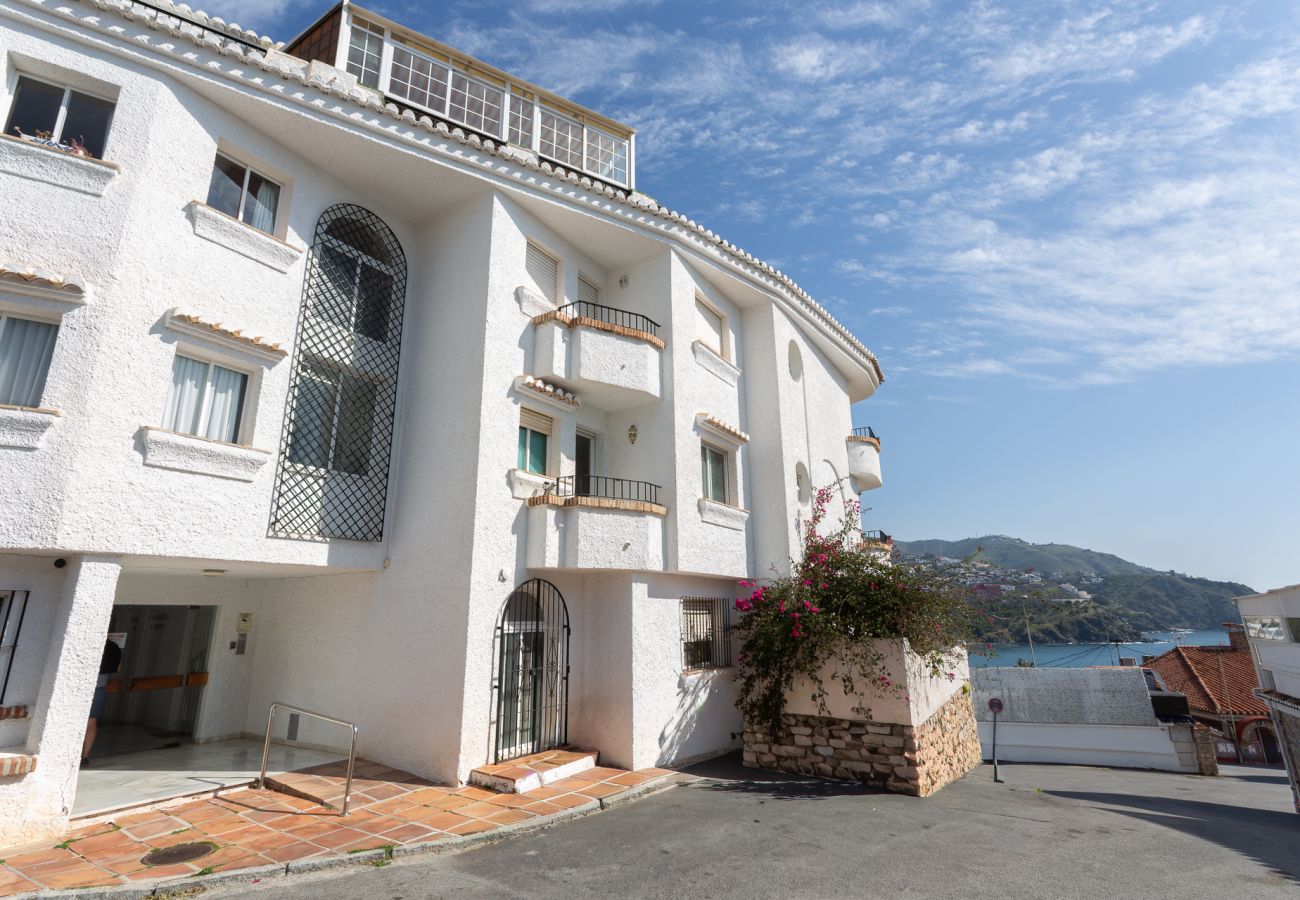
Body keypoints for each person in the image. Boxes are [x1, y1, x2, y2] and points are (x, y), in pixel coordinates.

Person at [82, 637, 122, 767]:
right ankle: (85, 756)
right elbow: (117, 668)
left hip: (80, 687)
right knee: (91, 722)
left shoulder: (86, 642)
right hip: (99, 688)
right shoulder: (113, 647)